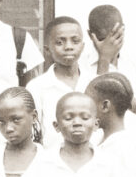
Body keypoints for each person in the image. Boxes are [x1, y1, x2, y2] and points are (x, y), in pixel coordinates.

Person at [28, 17, 92, 151]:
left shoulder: (94, 82)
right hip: (53, 164)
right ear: (47, 49)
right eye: (59, 42)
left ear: (83, 46)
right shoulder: (37, 87)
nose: (68, 47)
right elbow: (33, 134)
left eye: (75, 41)